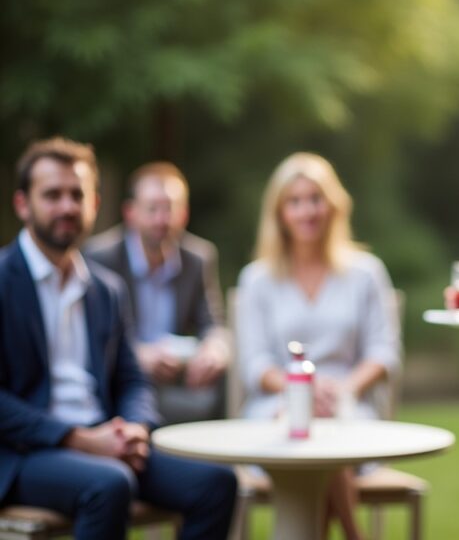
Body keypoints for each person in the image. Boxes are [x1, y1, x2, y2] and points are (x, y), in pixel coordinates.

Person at [0, 137, 237, 540]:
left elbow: (132, 378)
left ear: (94, 203)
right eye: (52, 195)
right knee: (110, 483)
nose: (67, 206)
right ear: (23, 204)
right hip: (24, 453)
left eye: (77, 195)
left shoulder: (105, 289)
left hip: (105, 438)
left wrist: (136, 428)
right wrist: (77, 439)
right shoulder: (3, 281)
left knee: (216, 484)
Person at [236, 152, 401, 540]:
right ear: (280, 212)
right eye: (295, 201)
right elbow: (255, 364)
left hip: (348, 405)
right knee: (311, 433)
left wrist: (342, 391)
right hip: (276, 407)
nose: (307, 211)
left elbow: (384, 352)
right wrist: (299, 391)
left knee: (329, 437)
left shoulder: (366, 273)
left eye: (315, 199)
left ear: (333, 205)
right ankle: (354, 534)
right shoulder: (257, 279)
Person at [85, 162, 230, 424]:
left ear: (184, 214)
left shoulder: (198, 257)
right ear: (130, 213)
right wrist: (138, 355)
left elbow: (213, 322)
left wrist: (213, 349)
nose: (162, 220)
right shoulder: (101, 257)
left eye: (170, 209)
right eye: (152, 209)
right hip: (123, 377)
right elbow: (94, 335)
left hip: (178, 376)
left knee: (221, 373)